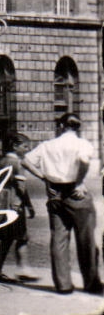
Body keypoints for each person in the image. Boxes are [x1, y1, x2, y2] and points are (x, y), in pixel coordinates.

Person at [21, 112, 101, 295]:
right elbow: (84, 161)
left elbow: (25, 161)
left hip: (54, 192)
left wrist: (44, 178)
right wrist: (79, 181)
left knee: (59, 239)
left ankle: (63, 284)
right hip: (76, 191)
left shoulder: (47, 145)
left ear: (62, 126)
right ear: (77, 127)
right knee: (86, 240)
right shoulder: (82, 144)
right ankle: (91, 282)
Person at [0, 134, 36, 283]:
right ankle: (24, 270)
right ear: (15, 146)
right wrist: (28, 205)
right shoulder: (17, 163)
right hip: (15, 203)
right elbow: (21, 187)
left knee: (7, 239)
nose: (27, 150)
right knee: (21, 237)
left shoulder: (1, 161)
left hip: (1, 202)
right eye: (25, 147)